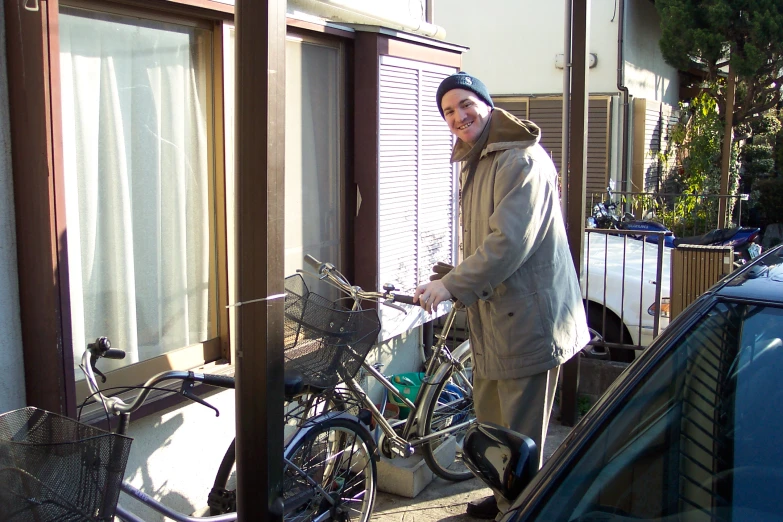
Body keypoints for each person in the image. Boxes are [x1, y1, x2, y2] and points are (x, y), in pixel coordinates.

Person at [413, 72, 590, 520]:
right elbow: (486, 242)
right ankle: (504, 496)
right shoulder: (480, 158)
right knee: (493, 422)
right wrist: (451, 275)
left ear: (487, 104)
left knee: (522, 434)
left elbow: (508, 243)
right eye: (449, 111)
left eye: (466, 104)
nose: (458, 116)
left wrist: (452, 285)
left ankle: (524, 510)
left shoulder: (520, 160)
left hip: (528, 320)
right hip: (496, 317)